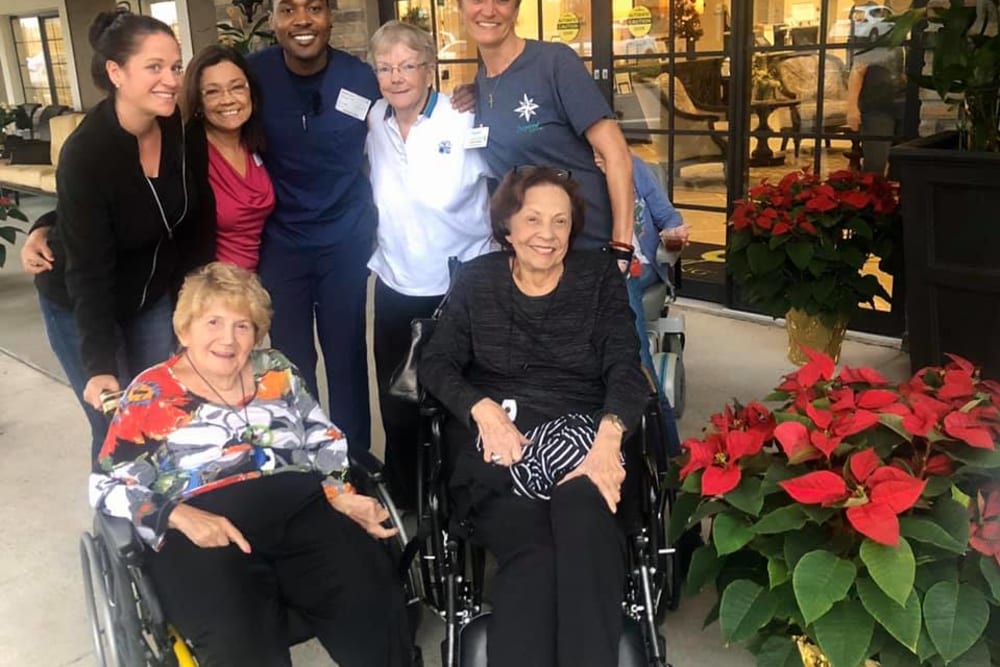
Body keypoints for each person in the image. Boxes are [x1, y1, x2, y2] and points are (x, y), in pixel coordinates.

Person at [90, 262, 413, 667]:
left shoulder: (274, 369)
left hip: (301, 509)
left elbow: (321, 436)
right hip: (205, 531)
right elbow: (106, 485)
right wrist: (177, 515)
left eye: (243, 326)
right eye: (213, 322)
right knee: (238, 642)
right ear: (184, 329)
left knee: (373, 601)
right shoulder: (150, 392)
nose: (228, 339)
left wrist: (341, 492)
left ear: (256, 333)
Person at [419, 167, 648, 667]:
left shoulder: (597, 280)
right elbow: (435, 363)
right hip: (500, 455)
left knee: (583, 516)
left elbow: (626, 370)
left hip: (586, 445)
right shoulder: (478, 281)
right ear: (507, 225)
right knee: (535, 555)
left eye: (560, 222)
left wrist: (607, 441)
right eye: (533, 219)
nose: (547, 234)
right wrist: (481, 410)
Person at [20, 11, 212, 464]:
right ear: (115, 72)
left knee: (156, 418)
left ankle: (163, 526)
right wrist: (100, 365)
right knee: (117, 429)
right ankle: (118, 529)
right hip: (80, 304)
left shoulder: (170, 125)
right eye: (154, 67)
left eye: (175, 66)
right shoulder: (86, 154)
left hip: (148, 301)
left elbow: (181, 214)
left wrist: (198, 302)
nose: (170, 79)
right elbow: (89, 270)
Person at [366, 20, 492, 508]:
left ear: (430, 68)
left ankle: (463, 500)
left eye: (408, 66)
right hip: (396, 282)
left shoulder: (463, 120)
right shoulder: (373, 119)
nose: (397, 77)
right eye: (385, 67)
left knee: (459, 398)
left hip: (459, 285)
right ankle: (407, 497)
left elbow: (504, 181)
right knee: (397, 400)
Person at [246, 0, 379, 455]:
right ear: (272, 21)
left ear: (330, 18)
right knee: (293, 363)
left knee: (346, 358)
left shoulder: (361, 77)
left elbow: (411, 105)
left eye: (314, 8)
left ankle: (354, 461)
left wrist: (467, 97)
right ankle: (307, 462)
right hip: (282, 245)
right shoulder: (252, 77)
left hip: (345, 241)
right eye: (288, 10)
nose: (302, 20)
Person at [458, 0, 635, 261]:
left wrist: (621, 248)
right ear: (460, 8)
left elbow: (617, 154)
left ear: (516, 9)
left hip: (591, 249)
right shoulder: (481, 83)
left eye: (502, 0)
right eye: (477, 0)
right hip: (534, 257)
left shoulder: (554, 63)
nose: (488, 10)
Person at [182, 45, 275, 271]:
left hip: (259, 284)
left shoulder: (258, 143)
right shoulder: (187, 156)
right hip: (213, 292)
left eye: (236, 88)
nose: (228, 100)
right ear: (198, 102)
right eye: (212, 92)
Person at [846, 46, 905, 176]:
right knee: (876, 162)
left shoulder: (910, 40)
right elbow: (858, 71)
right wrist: (852, 108)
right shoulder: (878, 37)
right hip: (876, 107)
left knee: (902, 162)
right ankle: (870, 192)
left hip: (905, 105)